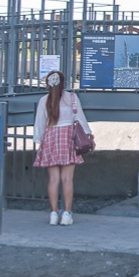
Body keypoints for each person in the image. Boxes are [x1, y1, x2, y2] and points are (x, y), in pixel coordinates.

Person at [33, 70, 94, 226]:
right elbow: (80, 118)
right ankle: (67, 213)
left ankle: (54, 213)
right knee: (67, 179)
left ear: (47, 84)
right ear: (63, 83)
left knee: (53, 179)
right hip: (68, 138)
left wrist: (40, 141)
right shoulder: (72, 98)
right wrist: (89, 135)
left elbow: (39, 124)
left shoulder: (43, 101)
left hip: (50, 137)